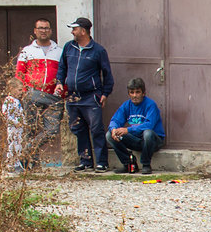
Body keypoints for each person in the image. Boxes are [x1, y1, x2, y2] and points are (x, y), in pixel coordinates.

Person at [55, 16, 113, 171]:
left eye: (75, 29)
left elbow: (107, 74)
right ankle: (85, 161)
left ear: (83, 31)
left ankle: (102, 162)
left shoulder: (98, 51)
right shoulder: (68, 47)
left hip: (91, 96)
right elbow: (62, 68)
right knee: (78, 129)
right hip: (72, 96)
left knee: (96, 129)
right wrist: (60, 82)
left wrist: (105, 93)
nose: (72, 32)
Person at [15, 17, 63, 163]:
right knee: (31, 129)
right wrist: (23, 91)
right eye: (41, 28)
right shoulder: (27, 51)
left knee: (52, 130)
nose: (44, 31)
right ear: (35, 31)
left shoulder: (59, 51)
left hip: (54, 96)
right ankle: (31, 163)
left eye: (46, 28)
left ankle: (27, 149)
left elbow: (65, 73)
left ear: (51, 31)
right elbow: (19, 74)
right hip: (33, 93)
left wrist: (63, 89)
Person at [108, 77, 166, 174]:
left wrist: (128, 130)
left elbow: (149, 125)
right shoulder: (126, 105)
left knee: (147, 133)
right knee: (109, 135)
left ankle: (146, 164)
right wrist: (113, 129)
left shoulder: (151, 105)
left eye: (137, 92)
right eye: (132, 92)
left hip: (153, 141)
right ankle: (129, 164)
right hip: (136, 140)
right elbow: (115, 120)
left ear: (143, 93)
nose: (134, 95)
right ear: (129, 94)